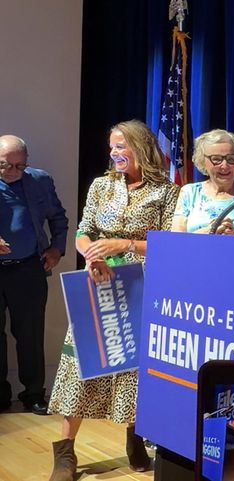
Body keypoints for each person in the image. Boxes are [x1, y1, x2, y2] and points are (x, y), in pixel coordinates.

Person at [47, 120, 179, 481]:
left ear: (141, 148)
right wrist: (90, 253)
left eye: (121, 146)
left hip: (142, 284)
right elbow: (84, 231)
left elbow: (170, 244)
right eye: (112, 147)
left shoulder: (166, 192)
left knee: (134, 366)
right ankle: (65, 452)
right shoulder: (101, 186)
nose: (114, 153)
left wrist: (124, 244)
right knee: (82, 363)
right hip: (98, 280)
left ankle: (136, 439)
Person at [0, 135, 68, 415]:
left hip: (28, 267)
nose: (13, 172)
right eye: (5, 165)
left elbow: (58, 218)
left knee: (30, 334)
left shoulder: (40, 180)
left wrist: (57, 249)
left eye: (20, 166)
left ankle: (33, 394)